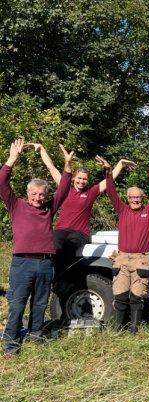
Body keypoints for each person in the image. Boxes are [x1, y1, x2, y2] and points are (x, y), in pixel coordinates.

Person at [1, 139, 71, 355]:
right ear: (28, 193)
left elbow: (65, 187)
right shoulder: (16, 205)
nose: (38, 198)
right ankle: (11, 345)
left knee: (40, 304)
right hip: (22, 263)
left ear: (46, 195)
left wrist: (65, 164)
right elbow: (2, 182)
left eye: (42, 194)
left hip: (45, 262)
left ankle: (35, 337)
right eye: (34, 194)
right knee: (17, 304)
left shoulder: (49, 208)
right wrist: (12, 158)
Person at [32, 146, 136, 282]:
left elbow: (109, 182)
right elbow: (51, 167)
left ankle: (61, 281)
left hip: (80, 233)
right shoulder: (65, 188)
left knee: (68, 248)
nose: (82, 181)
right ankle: (45, 279)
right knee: (53, 246)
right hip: (61, 230)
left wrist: (120, 164)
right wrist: (41, 149)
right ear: (74, 178)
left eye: (85, 179)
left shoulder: (91, 192)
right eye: (79, 178)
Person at [105, 156, 149, 334]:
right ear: (127, 198)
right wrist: (108, 172)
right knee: (119, 297)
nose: (135, 200)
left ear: (142, 198)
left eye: (138, 197)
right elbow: (111, 192)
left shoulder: (148, 211)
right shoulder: (122, 210)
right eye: (132, 197)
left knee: (137, 297)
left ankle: (134, 330)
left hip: (141, 260)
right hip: (121, 258)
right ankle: (117, 330)